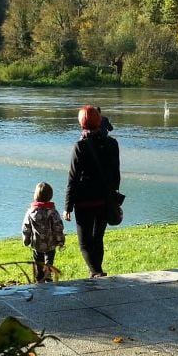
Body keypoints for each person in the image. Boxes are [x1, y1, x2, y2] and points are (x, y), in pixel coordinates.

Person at [65, 105, 120, 279]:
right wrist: (112, 194)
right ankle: (96, 272)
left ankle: (96, 272)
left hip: (84, 201)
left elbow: (72, 179)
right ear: (99, 121)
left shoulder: (80, 146)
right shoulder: (112, 143)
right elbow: (116, 175)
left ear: (81, 123)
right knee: (98, 238)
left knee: (85, 243)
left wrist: (68, 206)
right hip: (104, 199)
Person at [21, 182, 65, 284]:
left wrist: (26, 240)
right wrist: (60, 240)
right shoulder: (53, 212)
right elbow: (58, 227)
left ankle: (40, 277)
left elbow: (26, 227)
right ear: (50, 196)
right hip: (51, 243)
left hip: (37, 243)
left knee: (38, 261)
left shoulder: (31, 212)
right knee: (49, 259)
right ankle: (48, 274)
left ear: (35, 196)